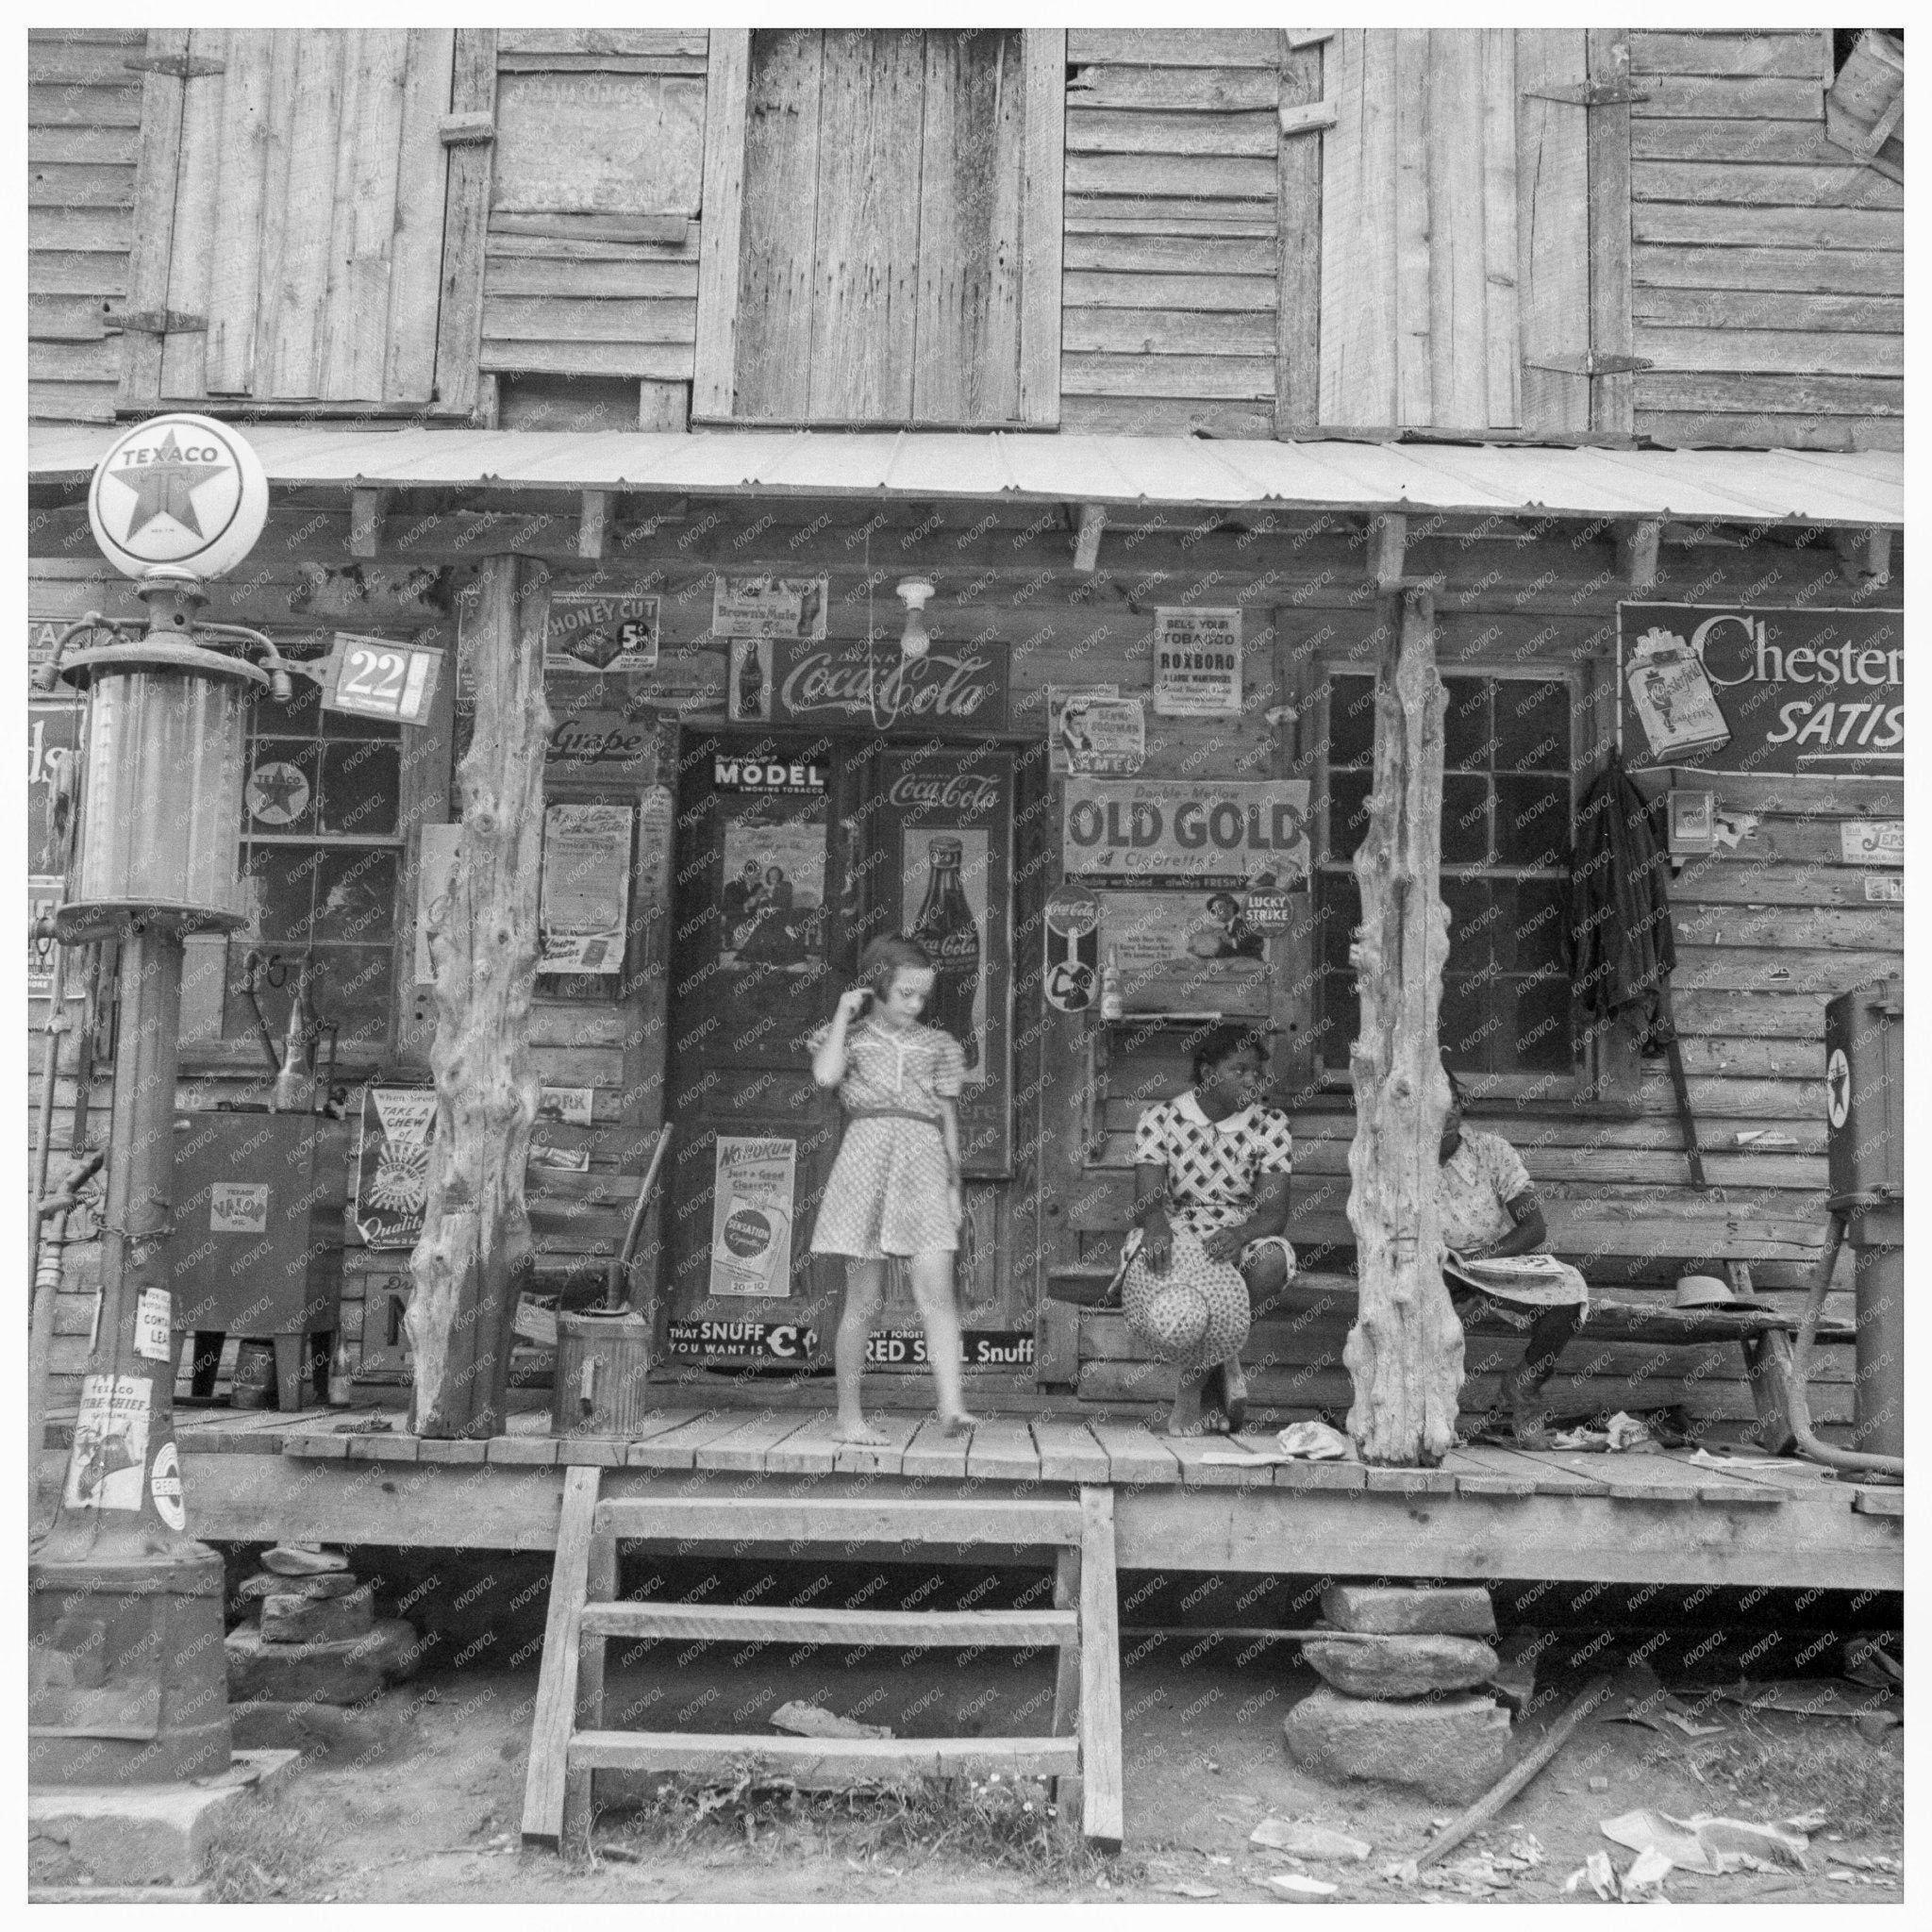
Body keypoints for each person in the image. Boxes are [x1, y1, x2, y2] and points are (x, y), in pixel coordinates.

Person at [808, 934, 977, 1445]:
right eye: (905, 993)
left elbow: (948, 1120)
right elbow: (825, 1075)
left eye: (922, 995)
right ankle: (849, 1420)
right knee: (863, 1300)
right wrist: (843, 1014)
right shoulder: (851, 1039)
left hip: (924, 1163)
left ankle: (951, 1406)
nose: (916, 1004)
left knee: (937, 1291)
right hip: (865, 1161)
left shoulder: (941, 1046)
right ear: (878, 986)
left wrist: (954, 1188)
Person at [1126, 1024, 1296, 1434]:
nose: (1251, 1081)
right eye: (1239, 1071)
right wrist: (1156, 1227)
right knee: (1154, 1256)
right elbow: (1147, 1204)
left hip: (1239, 1231)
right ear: (1206, 1072)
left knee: (1272, 1260)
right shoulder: (1161, 1118)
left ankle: (1193, 1382)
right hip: (1174, 1228)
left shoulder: (1270, 1124)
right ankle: (1224, 1364)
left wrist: (1240, 1236)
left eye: (1256, 1073)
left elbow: (1274, 1214)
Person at [1436, 1069, 1587, 1449]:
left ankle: (1525, 1383)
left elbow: (1534, 1227)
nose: (1447, 1110)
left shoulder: (1491, 1151)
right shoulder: (1401, 1159)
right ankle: (1434, 1413)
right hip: (1433, 1268)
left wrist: (1480, 1260)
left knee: (1567, 1290)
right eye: (1435, 1101)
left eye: (1453, 1099)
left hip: (1490, 1264)